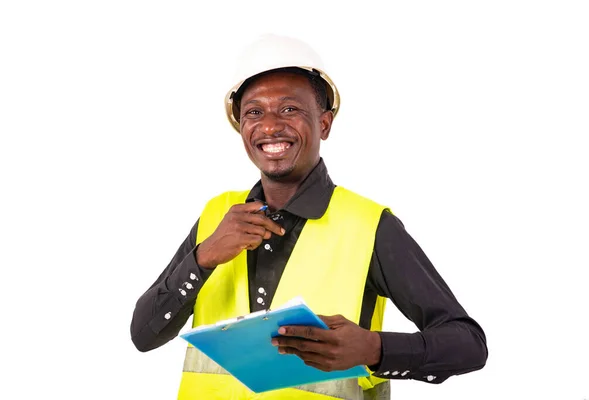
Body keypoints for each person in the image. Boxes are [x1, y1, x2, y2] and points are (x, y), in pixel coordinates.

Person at [130, 34, 488, 400]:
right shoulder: (217, 216)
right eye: (254, 112)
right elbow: (143, 335)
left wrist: (375, 349)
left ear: (325, 124)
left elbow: (468, 344)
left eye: (289, 110)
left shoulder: (368, 226)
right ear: (241, 127)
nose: (269, 126)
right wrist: (204, 257)